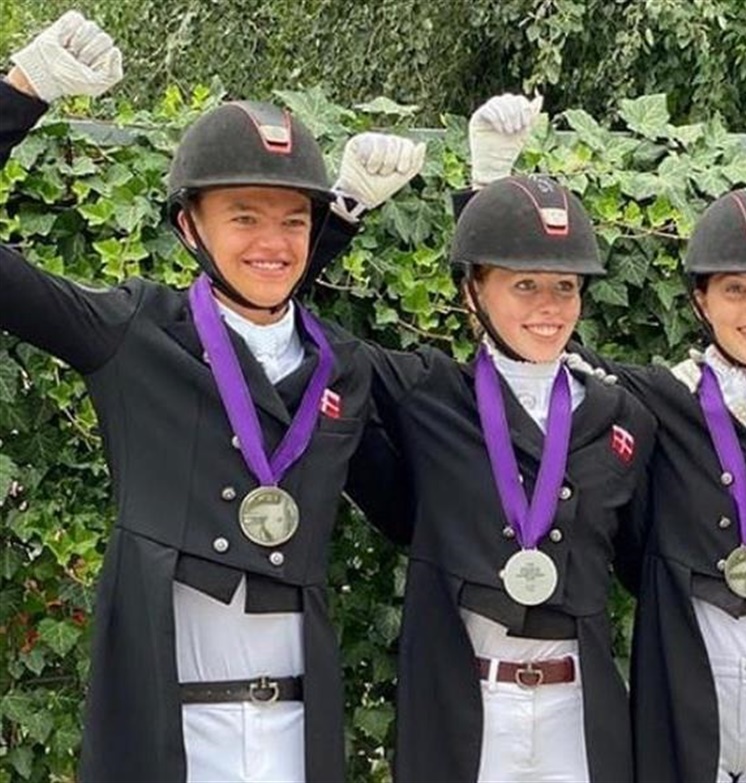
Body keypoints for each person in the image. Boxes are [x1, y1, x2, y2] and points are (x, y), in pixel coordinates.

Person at [1, 12, 424, 781]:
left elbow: (409, 514)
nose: (273, 241)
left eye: (295, 220)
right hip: (169, 736)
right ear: (189, 226)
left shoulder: (342, 369)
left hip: (297, 734)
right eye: (243, 216)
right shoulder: (132, 334)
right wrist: (22, 91)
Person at [463, 96, 746, 783]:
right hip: (685, 659)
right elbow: (527, 339)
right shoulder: (648, 397)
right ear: (701, 298)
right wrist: (486, 188)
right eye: (736, 290)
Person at [348, 96, 657, 782]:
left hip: (578, 710)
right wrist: (344, 211)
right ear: (471, 293)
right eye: (525, 286)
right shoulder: (429, 394)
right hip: (467, 707)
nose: (549, 307)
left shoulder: (623, 414)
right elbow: (290, 336)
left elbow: (654, 564)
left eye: (565, 287)